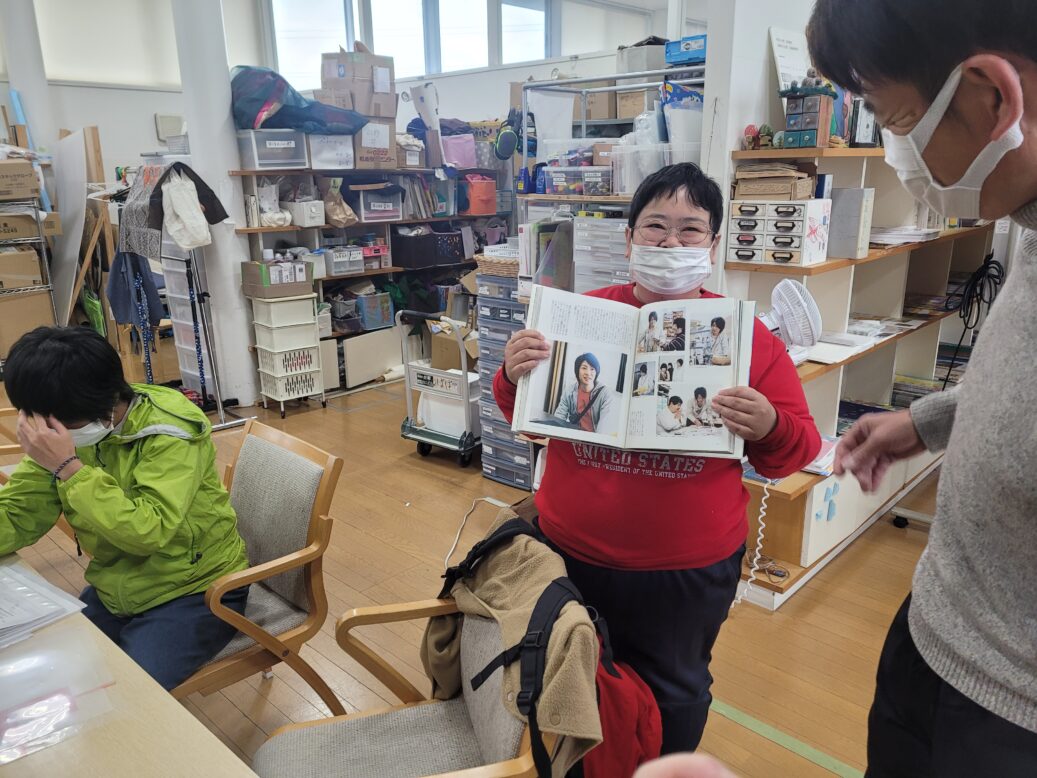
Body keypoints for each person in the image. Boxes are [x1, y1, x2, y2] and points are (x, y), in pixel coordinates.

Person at [495, 163, 820, 752]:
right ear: (628, 237)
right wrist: (513, 370)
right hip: (568, 550)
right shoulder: (583, 315)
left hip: (684, 571)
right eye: (655, 226)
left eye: (691, 229)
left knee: (674, 694)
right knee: (564, 671)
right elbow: (527, 414)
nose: (671, 243)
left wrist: (768, 424)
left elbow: (795, 450)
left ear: (714, 244)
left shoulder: (747, 337)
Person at [809, 2, 1037, 774]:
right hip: (937, 628)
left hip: (1006, 714)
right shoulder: (1030, 214)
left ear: (991, 97)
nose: (894, 149)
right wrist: (931, 420)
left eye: (893, 116)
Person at [0, 326, 250, 690]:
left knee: (128, 691)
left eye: (51, 423)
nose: (41, 431)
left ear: (99, 403)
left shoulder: (169, 432)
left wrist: (69, 468)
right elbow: (20, 513)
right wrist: (60, 461)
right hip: (117, 584)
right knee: (58, 669)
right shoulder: (64, 427)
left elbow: (147, 531)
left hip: (197, 588)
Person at [552, 352, 611, 433]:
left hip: (593, 440)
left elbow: (604, 426)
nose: (588, 373)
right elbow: (559, 417)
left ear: (596, 372)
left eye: (592, 369)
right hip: (574, 436)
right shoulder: (569, 391)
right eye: (584, 368)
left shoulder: (605, 393)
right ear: (577, 370)